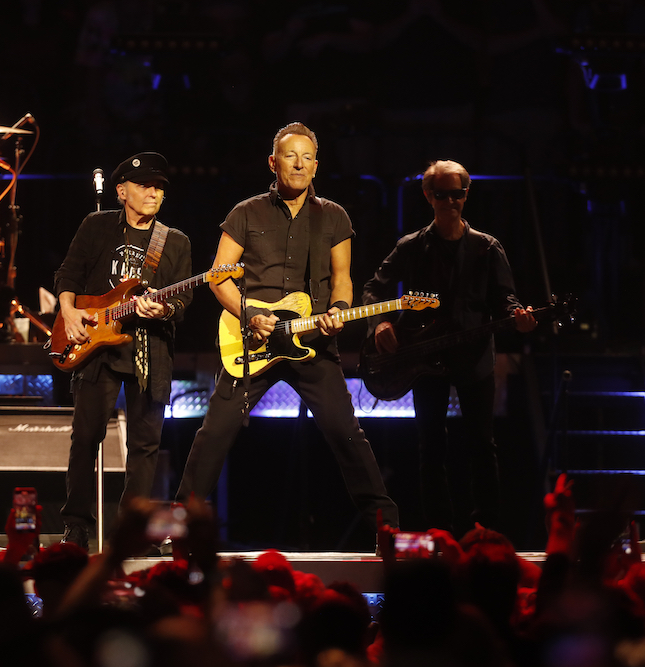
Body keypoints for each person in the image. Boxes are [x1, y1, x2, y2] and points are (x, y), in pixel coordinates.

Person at [175, 121, 399, 534]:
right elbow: (218, 278)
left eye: (307, 157)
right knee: (214, 434)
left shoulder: (334, 216)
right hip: (253, 341)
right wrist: (249, 315)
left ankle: (387, 529)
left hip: (311, 341)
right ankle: (177, 529)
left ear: (316, 165)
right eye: (290, 156)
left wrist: (339, 310)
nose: (299, 164)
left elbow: (343, 278)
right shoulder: (245, 212)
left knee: (347, 435)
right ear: (273, 163)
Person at [361, 160, 536, 535]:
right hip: (424, 358)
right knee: (431, 445)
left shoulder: (486, 247)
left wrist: (518, 316)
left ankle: (487, 530)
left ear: (466, 194)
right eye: (442, 194)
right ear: (428, 196)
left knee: (482, 445)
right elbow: (374, 288)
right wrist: (380, 324)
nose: (451, 201)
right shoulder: (411, 246)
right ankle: (439, 531)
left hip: (474, 356)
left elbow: (505, 298)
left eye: (457, 194)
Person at [55, 151, 192, 549]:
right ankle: (76, 525)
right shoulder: (96, 226)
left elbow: (182, 302)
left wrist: (163, 308)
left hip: (151, 352)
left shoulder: (175, 241)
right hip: (97, 347)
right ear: (121, 191)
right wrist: (69, 313)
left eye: (159, 187)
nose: (153, 193)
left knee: (145, 446)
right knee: (86, 436)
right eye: (145, 185)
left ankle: (130, 532)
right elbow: (68, 275)